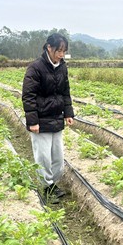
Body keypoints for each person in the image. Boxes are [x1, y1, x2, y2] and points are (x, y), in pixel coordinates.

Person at [22, 33, 75, 204]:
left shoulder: (62, 67)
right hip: (41, 119)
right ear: (48, 48)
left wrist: (68, 112)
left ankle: (53, 183)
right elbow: (28, 96)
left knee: (58, 156)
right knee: (43, 156)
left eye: (64, 51)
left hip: (56, 117)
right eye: (58, 51)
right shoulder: (35, 68)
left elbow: (65, 91)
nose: (61, 54)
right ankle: (48, 187)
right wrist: (33, 121)